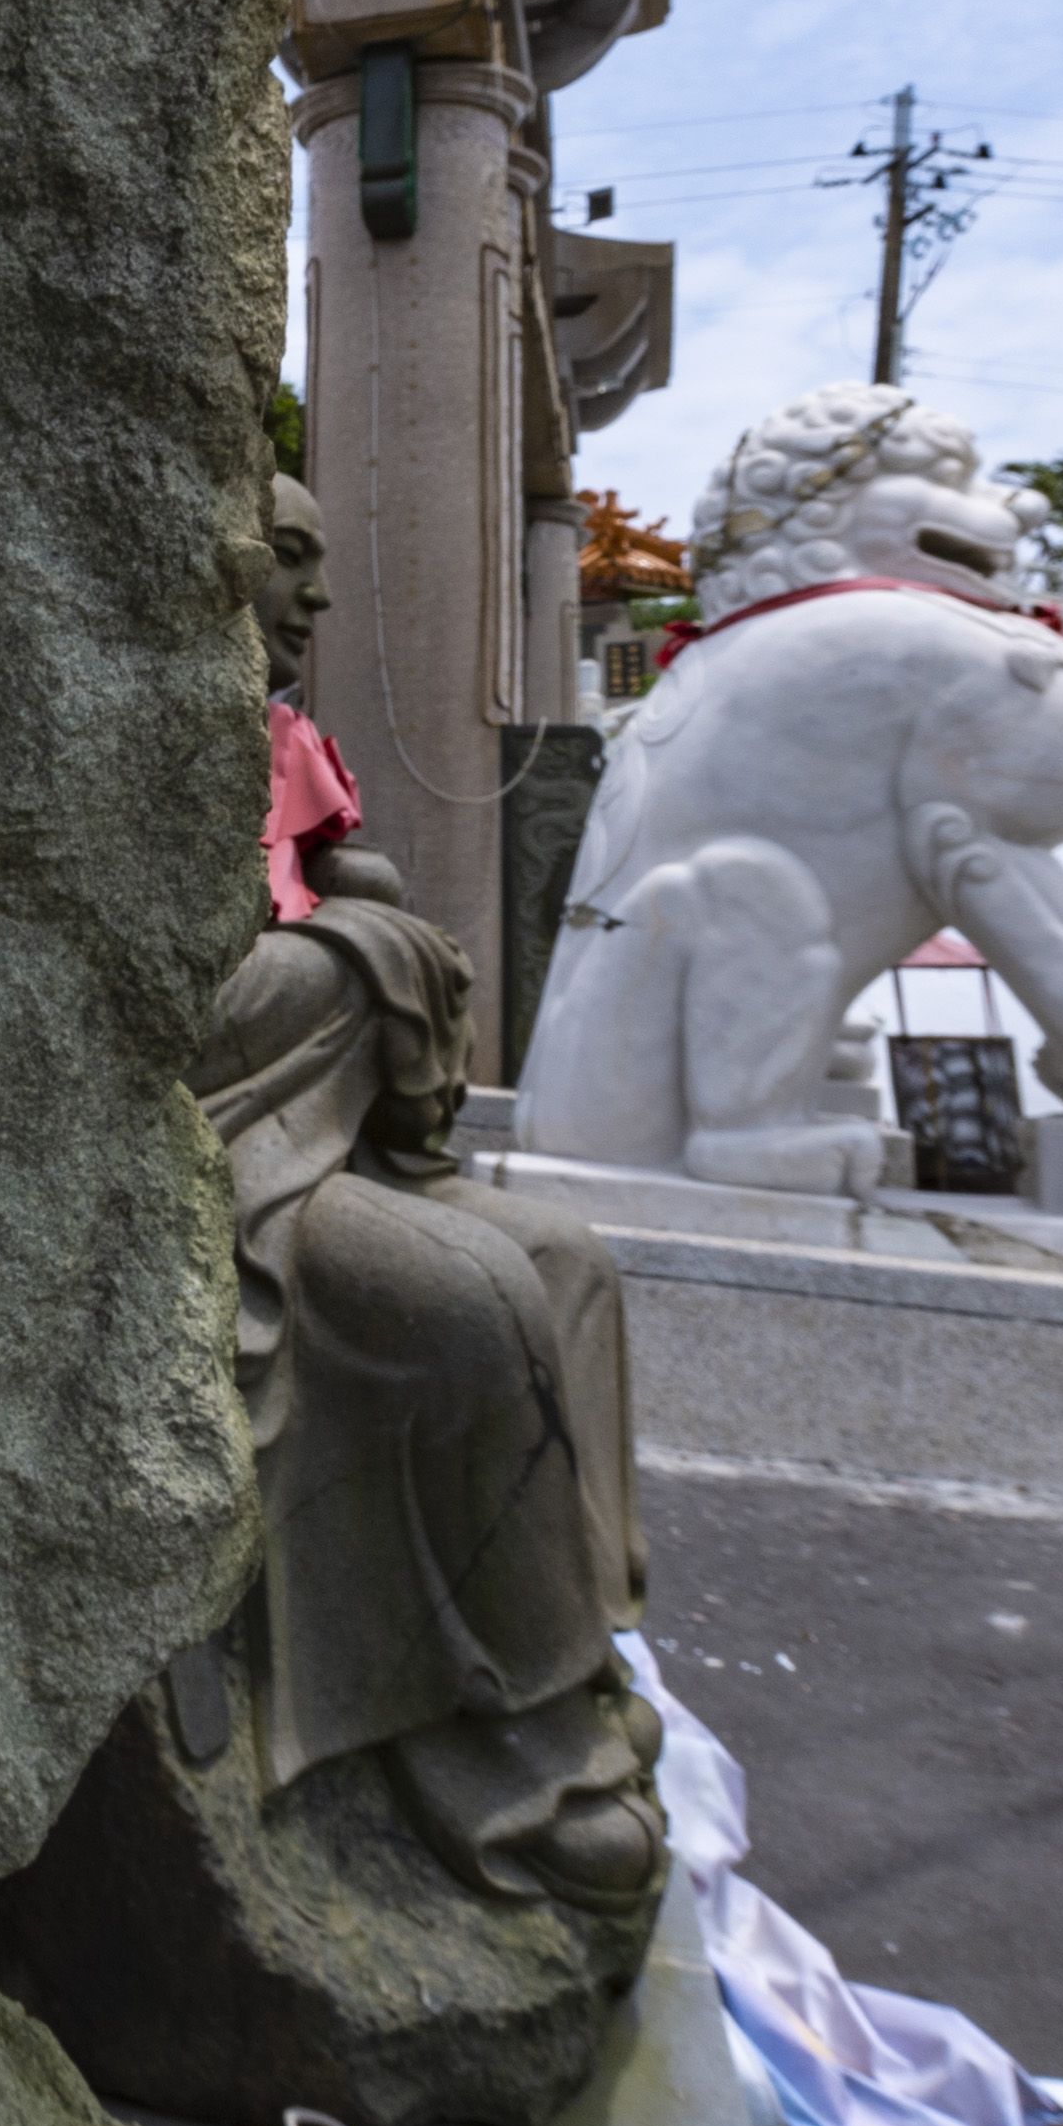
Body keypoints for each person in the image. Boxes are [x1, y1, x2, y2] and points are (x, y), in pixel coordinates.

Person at [208, 475, 661, 1906]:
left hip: (322, 1123)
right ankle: (503, 1746)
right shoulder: (124, 725)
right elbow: (172, 1009)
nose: (317, 594)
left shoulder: (279, 739)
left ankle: (569, 1663)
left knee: (569, 1264)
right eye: (288, 556)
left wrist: (373, 931)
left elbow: (345, 885)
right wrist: (372, 963)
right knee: (464, 1303)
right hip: (226, 1157)